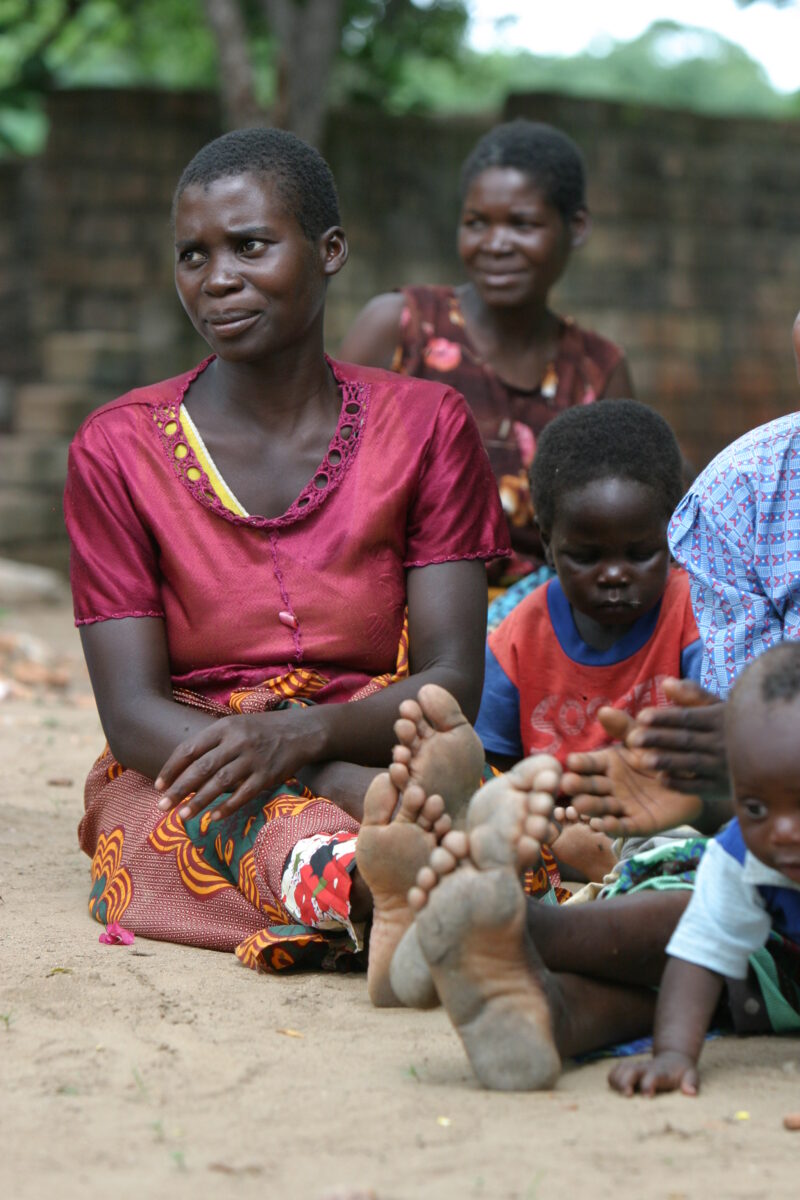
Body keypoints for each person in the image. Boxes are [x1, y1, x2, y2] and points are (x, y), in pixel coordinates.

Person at [64, 127, 510, 977]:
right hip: (189, 766)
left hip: (378, 746)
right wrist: (307, 778)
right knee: (204, 832)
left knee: (457, 809)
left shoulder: (424, 426)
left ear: (330, 250)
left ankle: (418, 898)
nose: (217, 277)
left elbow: (453, 678)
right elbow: (132, 714)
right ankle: (395, 897)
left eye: (251, 245)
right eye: (192, 255)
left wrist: (312, 743)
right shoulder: (118, 449)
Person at [341, 119, 634, 592]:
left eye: (522, 224)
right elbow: (328, 485)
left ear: (575, 227)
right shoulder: (402, 328)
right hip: (397, 617)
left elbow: (627, 523)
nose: (495, 245)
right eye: (477, 223)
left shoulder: (598, 371)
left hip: (546, 631)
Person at [474, 399, 701, 881]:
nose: (615, 575)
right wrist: (543, 820)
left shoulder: (692, 613)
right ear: (549, 544)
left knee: (689, 851)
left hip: (669, 819)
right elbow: (492, 763)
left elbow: (715, 752)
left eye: (641, 554)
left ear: (674, 534)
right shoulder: (520, 634)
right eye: (587, 556)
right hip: (557, 831)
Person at [609, 642, 800, 1098]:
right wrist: (674, 1053)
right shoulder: (741, 851)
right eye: (755, 806)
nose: (783, 831)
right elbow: (701, 949)